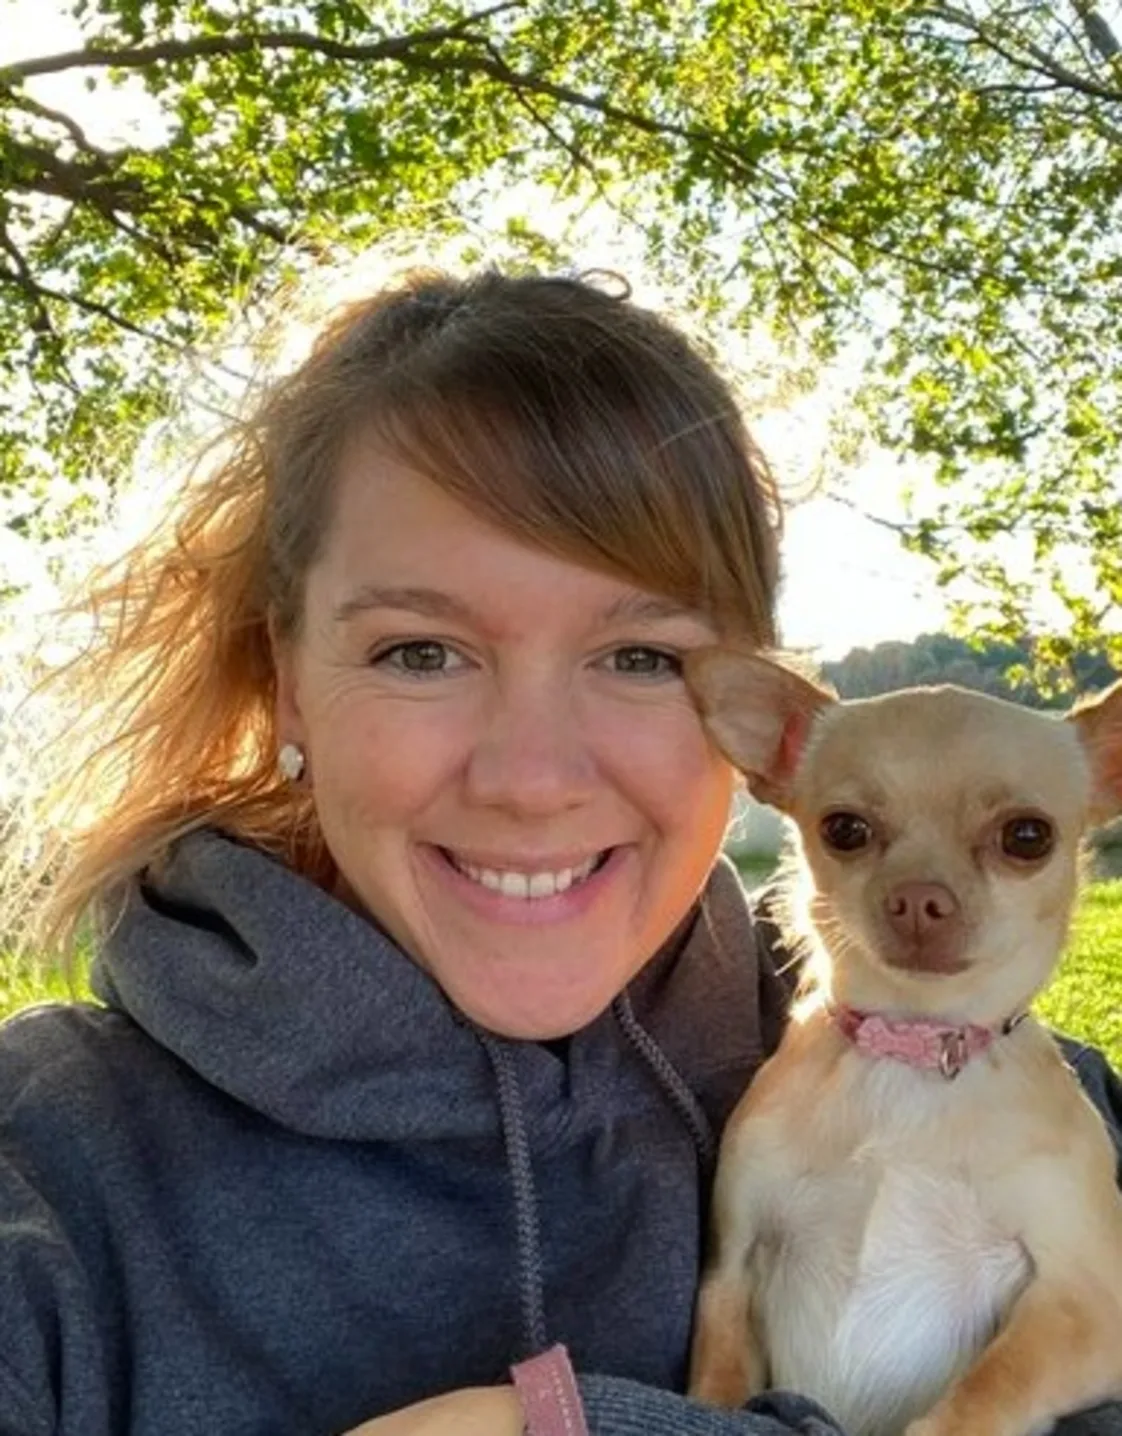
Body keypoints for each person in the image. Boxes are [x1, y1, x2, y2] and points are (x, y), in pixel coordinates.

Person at [0, 268, 1118, 1436]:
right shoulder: (48, 1175)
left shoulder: (1028, 1094)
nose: (532, 779)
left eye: (639, 657)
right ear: (285, 685)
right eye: (421, 651)